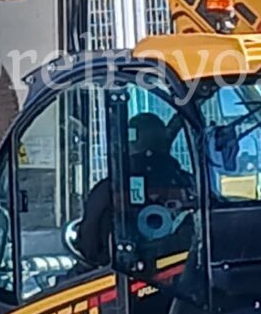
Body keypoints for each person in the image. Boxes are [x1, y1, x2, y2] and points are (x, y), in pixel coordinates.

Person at [75, 112, 193, 267]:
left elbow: (90, 247)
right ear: (165, 143)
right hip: (184, 275)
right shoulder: (191, 185)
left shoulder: (109, 190)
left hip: (122, 280)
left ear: (126, 144)